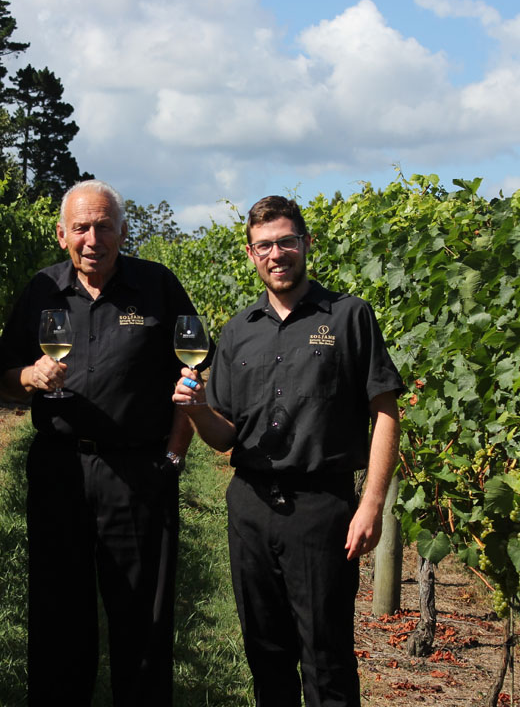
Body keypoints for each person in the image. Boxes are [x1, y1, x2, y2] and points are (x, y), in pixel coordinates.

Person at [173, 195, 402, 707]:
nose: (276, 254)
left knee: (327, 659)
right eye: (264, 246)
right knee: (265, 653)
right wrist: (195, 410)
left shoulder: (348, 317)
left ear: (306, 245)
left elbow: (386, 412)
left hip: (322, 511)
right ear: (251, 255)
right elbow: (225, 435)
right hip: (250, 507)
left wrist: (372, 504)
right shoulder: (235, 332)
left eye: (286, 242)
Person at [0, 180, 202, 706]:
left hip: (137, 474)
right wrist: (28, 376)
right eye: (81, 228)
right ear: (62, 234)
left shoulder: (158, 287)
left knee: (142, 618)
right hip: (59, 470)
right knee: (57, 614)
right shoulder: (41, 289)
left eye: (104, 226)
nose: (93, 238)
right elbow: (1, 374)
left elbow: (198, 369)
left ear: (123, 231)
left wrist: (174, 457)